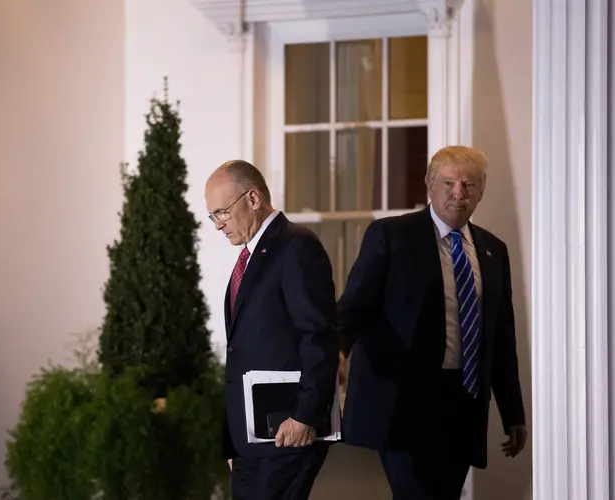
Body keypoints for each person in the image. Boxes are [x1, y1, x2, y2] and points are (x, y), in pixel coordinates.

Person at [338, 146, 527, 500]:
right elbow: (355, 305)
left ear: (481, 191)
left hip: (463, 403)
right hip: (402, 401)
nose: (459, 193)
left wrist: (513, 412)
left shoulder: (492, 250)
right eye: (449, 182)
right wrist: (336, 348)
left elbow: (501, 337)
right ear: (429, 184)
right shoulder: (391, 236)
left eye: (469, 185)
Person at [204, 160, 339, 500]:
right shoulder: (252, 256)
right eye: (213, 216)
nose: (218, 225)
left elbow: (318, 336)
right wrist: (236, 441)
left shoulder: (296, 246)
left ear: (252, 199)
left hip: (287, 433)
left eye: (222, 212)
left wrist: (305, 416)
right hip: (252, 440)